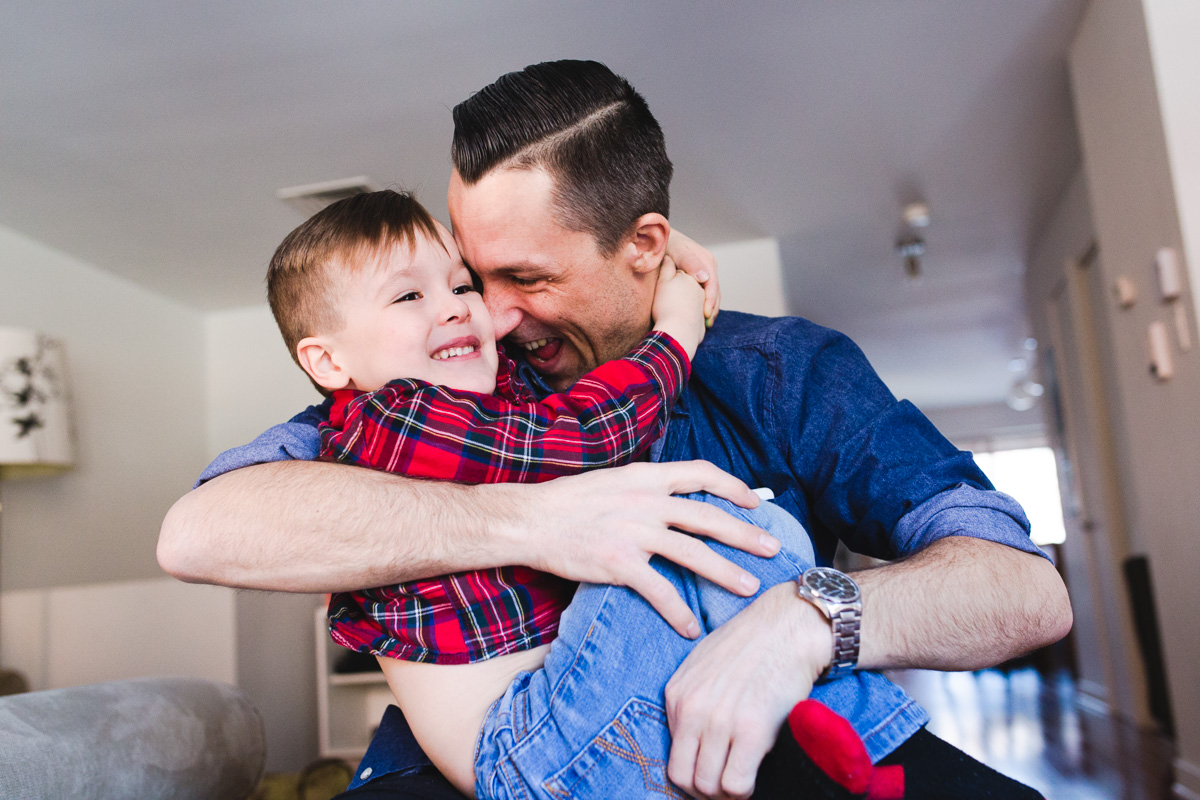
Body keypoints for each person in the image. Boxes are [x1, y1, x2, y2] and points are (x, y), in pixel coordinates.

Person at [159, 60, 1071, 800]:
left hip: (738, 716)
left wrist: (806, 622)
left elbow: (1026, 594)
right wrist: (535, 521)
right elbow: (200, 531)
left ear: (645, 246)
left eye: (525, 278)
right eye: (476, 276)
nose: (492, 317)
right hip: (494, 751)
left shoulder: (780, 371)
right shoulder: (443, 383)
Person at [266, 186, 927, 800]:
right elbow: (585, 435)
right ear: (328, 362)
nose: (457, 305)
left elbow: (556, 248)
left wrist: (655, 248)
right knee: (691, 524)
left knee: (763, 531)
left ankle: (857, 750)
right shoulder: (393, 420)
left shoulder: (490, 393)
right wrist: (677, 330)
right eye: (408, 298)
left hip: (579, 705)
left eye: (461, 283)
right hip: (525, 749)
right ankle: (853, 746)